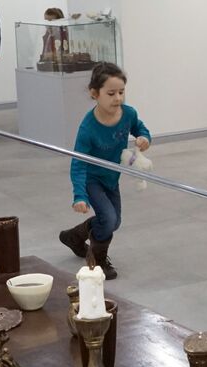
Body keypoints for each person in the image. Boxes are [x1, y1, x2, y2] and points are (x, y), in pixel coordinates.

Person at [58, 62, 151, 279]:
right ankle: (97, 258)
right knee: (108, 220)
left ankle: (74, 236)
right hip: (93, 179)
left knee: (114, 222)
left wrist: (145, 138)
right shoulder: (88, 128)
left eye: (121, 92)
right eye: (111, 93)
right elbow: (78, 163)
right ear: (94, 93)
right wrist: (79, 195)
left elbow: (140, 128)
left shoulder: (128, 114)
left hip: (111, 177)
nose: (117, 98)